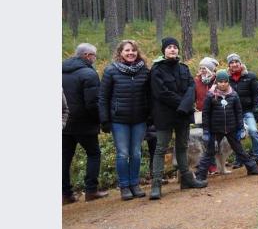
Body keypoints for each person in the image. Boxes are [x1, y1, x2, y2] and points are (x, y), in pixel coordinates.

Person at [149, 37, 207, 199]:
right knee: (161, 149)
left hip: (183, 115)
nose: (172, 49)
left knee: (182, 146)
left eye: (175, 47)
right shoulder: (156, 69)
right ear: (164, 51)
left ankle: (186, 180)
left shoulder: (184, 68)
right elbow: (161, 92)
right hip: (164, 115)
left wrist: (185, 106)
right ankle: (156, 185)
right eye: (169, 47)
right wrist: (182, 104)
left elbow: (191, 88)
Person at [98, 40, 151, 201]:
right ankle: (124, 186)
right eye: (127, 50)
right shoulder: (111, 70)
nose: (131, 53)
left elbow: (149, 94)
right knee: (123, 153)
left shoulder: (144, 70)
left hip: (139, 119)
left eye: (133, 50)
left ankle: (135, 184)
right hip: (119, 120)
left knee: (136, 153)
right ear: (120, 52)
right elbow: (103, 97)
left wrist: (150, 114)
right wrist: (104, 119)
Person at [196, 70, 258, 180]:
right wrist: (206, 131)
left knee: (240, 150)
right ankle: (200, 175)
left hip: (231, 128)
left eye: (225, 81)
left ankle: (252, 168)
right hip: (215, 129)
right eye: (220, 82)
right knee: (210, 152)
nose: (222, 84)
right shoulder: (210, 95)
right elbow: (206, 114)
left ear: (228, 82)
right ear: (216, 82)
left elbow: (238, 112)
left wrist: (241, 128)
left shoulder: (233, 95)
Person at [62, 43, 109, 204]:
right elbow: (92, 102)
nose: (95, 59)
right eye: (94, 56)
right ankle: (91, 190)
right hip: (84, 123)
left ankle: (65, 194)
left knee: (64, 157)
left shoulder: (60, 70)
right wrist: (100, 120)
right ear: (88, 55)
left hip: (64, 123)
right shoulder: (88, 74)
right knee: (93, 153)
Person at [226, 53, 258, 167]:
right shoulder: (226, 79)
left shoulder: (250, 76)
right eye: (231, 63)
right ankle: (240, 158)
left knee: (253, 131)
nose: (234, 64)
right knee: (236, 136)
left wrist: (257, 111)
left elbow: (256, 95)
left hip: (248, 111)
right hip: (233, 114)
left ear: (240, 63)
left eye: (236, 62)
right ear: (229, 66)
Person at [194, 56, 220, 174]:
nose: (202, 70)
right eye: (201, 68)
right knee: (202, 140)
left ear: (211, 69)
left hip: (214, 115)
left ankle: (214, 164)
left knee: (212, 141)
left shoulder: (217, 81)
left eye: (205, 68)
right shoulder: (196, 81)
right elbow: (193, 96)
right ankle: (203, 165)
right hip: (200, 114)